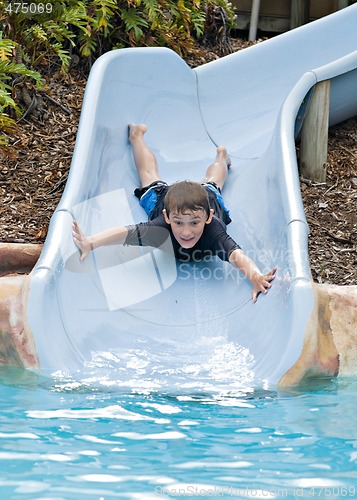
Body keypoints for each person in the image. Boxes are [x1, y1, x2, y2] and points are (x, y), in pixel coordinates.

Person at [72, 123, 276, 302]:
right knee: (148, 175)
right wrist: (90, 242)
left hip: (203, 198)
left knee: (214, 182)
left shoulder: (213, 230)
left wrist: (256, 276)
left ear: (208, 217)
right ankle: (136, 136)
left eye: (194, 223)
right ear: (167, 217)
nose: (186, 232)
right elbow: (125, 233)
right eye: (179, 223)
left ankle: (222, 156)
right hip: (168, 198)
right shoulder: (160, 227)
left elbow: (237, 256)